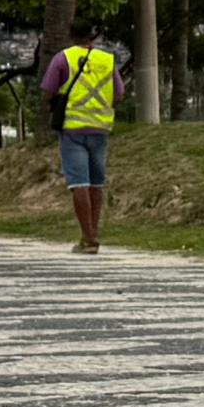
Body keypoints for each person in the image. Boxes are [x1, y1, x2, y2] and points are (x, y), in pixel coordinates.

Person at [51, 32, 118, 252]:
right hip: (100, 127)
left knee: (78, 182)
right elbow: (120, 92)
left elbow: (48, 87)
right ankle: (94, 232)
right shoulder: (107, 59)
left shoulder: (63, 58)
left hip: (73, 128)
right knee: (96, 183)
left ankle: (88, 237)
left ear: (72, 35)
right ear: (93, 36)